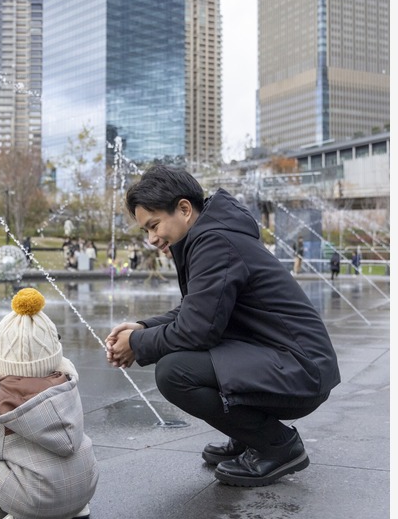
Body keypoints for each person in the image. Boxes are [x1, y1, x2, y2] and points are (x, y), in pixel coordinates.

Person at [106, 166, 340, 487]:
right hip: (284, 360)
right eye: (145, 230)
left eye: (154, 225)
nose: (151, 239)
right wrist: (143, 326)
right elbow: (201, 310)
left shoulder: (215, 242)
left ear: (185, 209)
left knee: (175, 372)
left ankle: (277, 445)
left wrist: (138, 343)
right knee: (186, 361)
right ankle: (249, 437)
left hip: (299, 369)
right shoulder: (211, 235)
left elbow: (197, 329)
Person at [0, 288, 98, 519]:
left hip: (35, 502)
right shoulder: (68, 384)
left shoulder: (2, 402)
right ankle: (77, 507)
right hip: (85, 488)